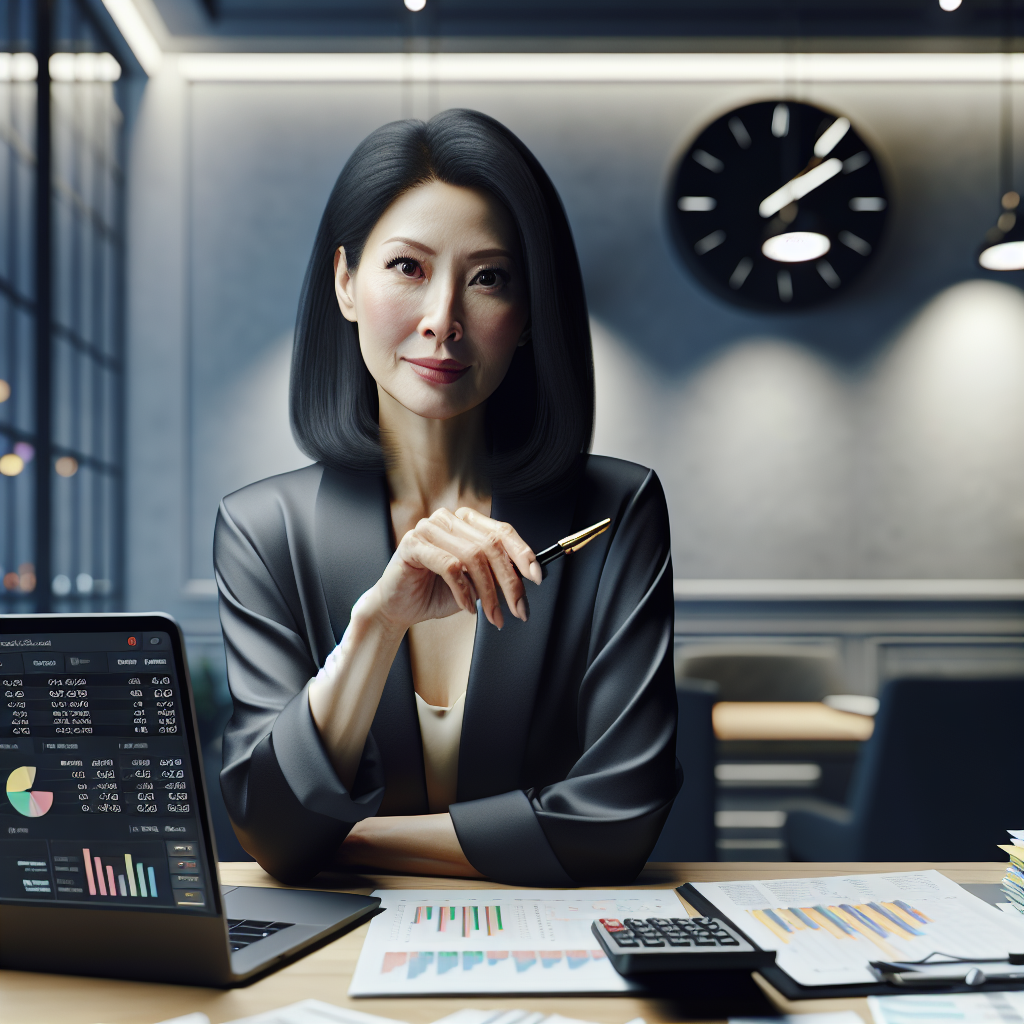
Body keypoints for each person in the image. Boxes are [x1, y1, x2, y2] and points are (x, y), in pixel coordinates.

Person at [215, 109, 679, 887]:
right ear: (345, 282)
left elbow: (616, 820)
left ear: (528, 313)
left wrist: (346, 837)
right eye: (408, 267)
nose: (443, 321)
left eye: (489, 277)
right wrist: (379, 621)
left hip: (555, 958)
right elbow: (268, 817)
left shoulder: (618, 507)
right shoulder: (264, 529)